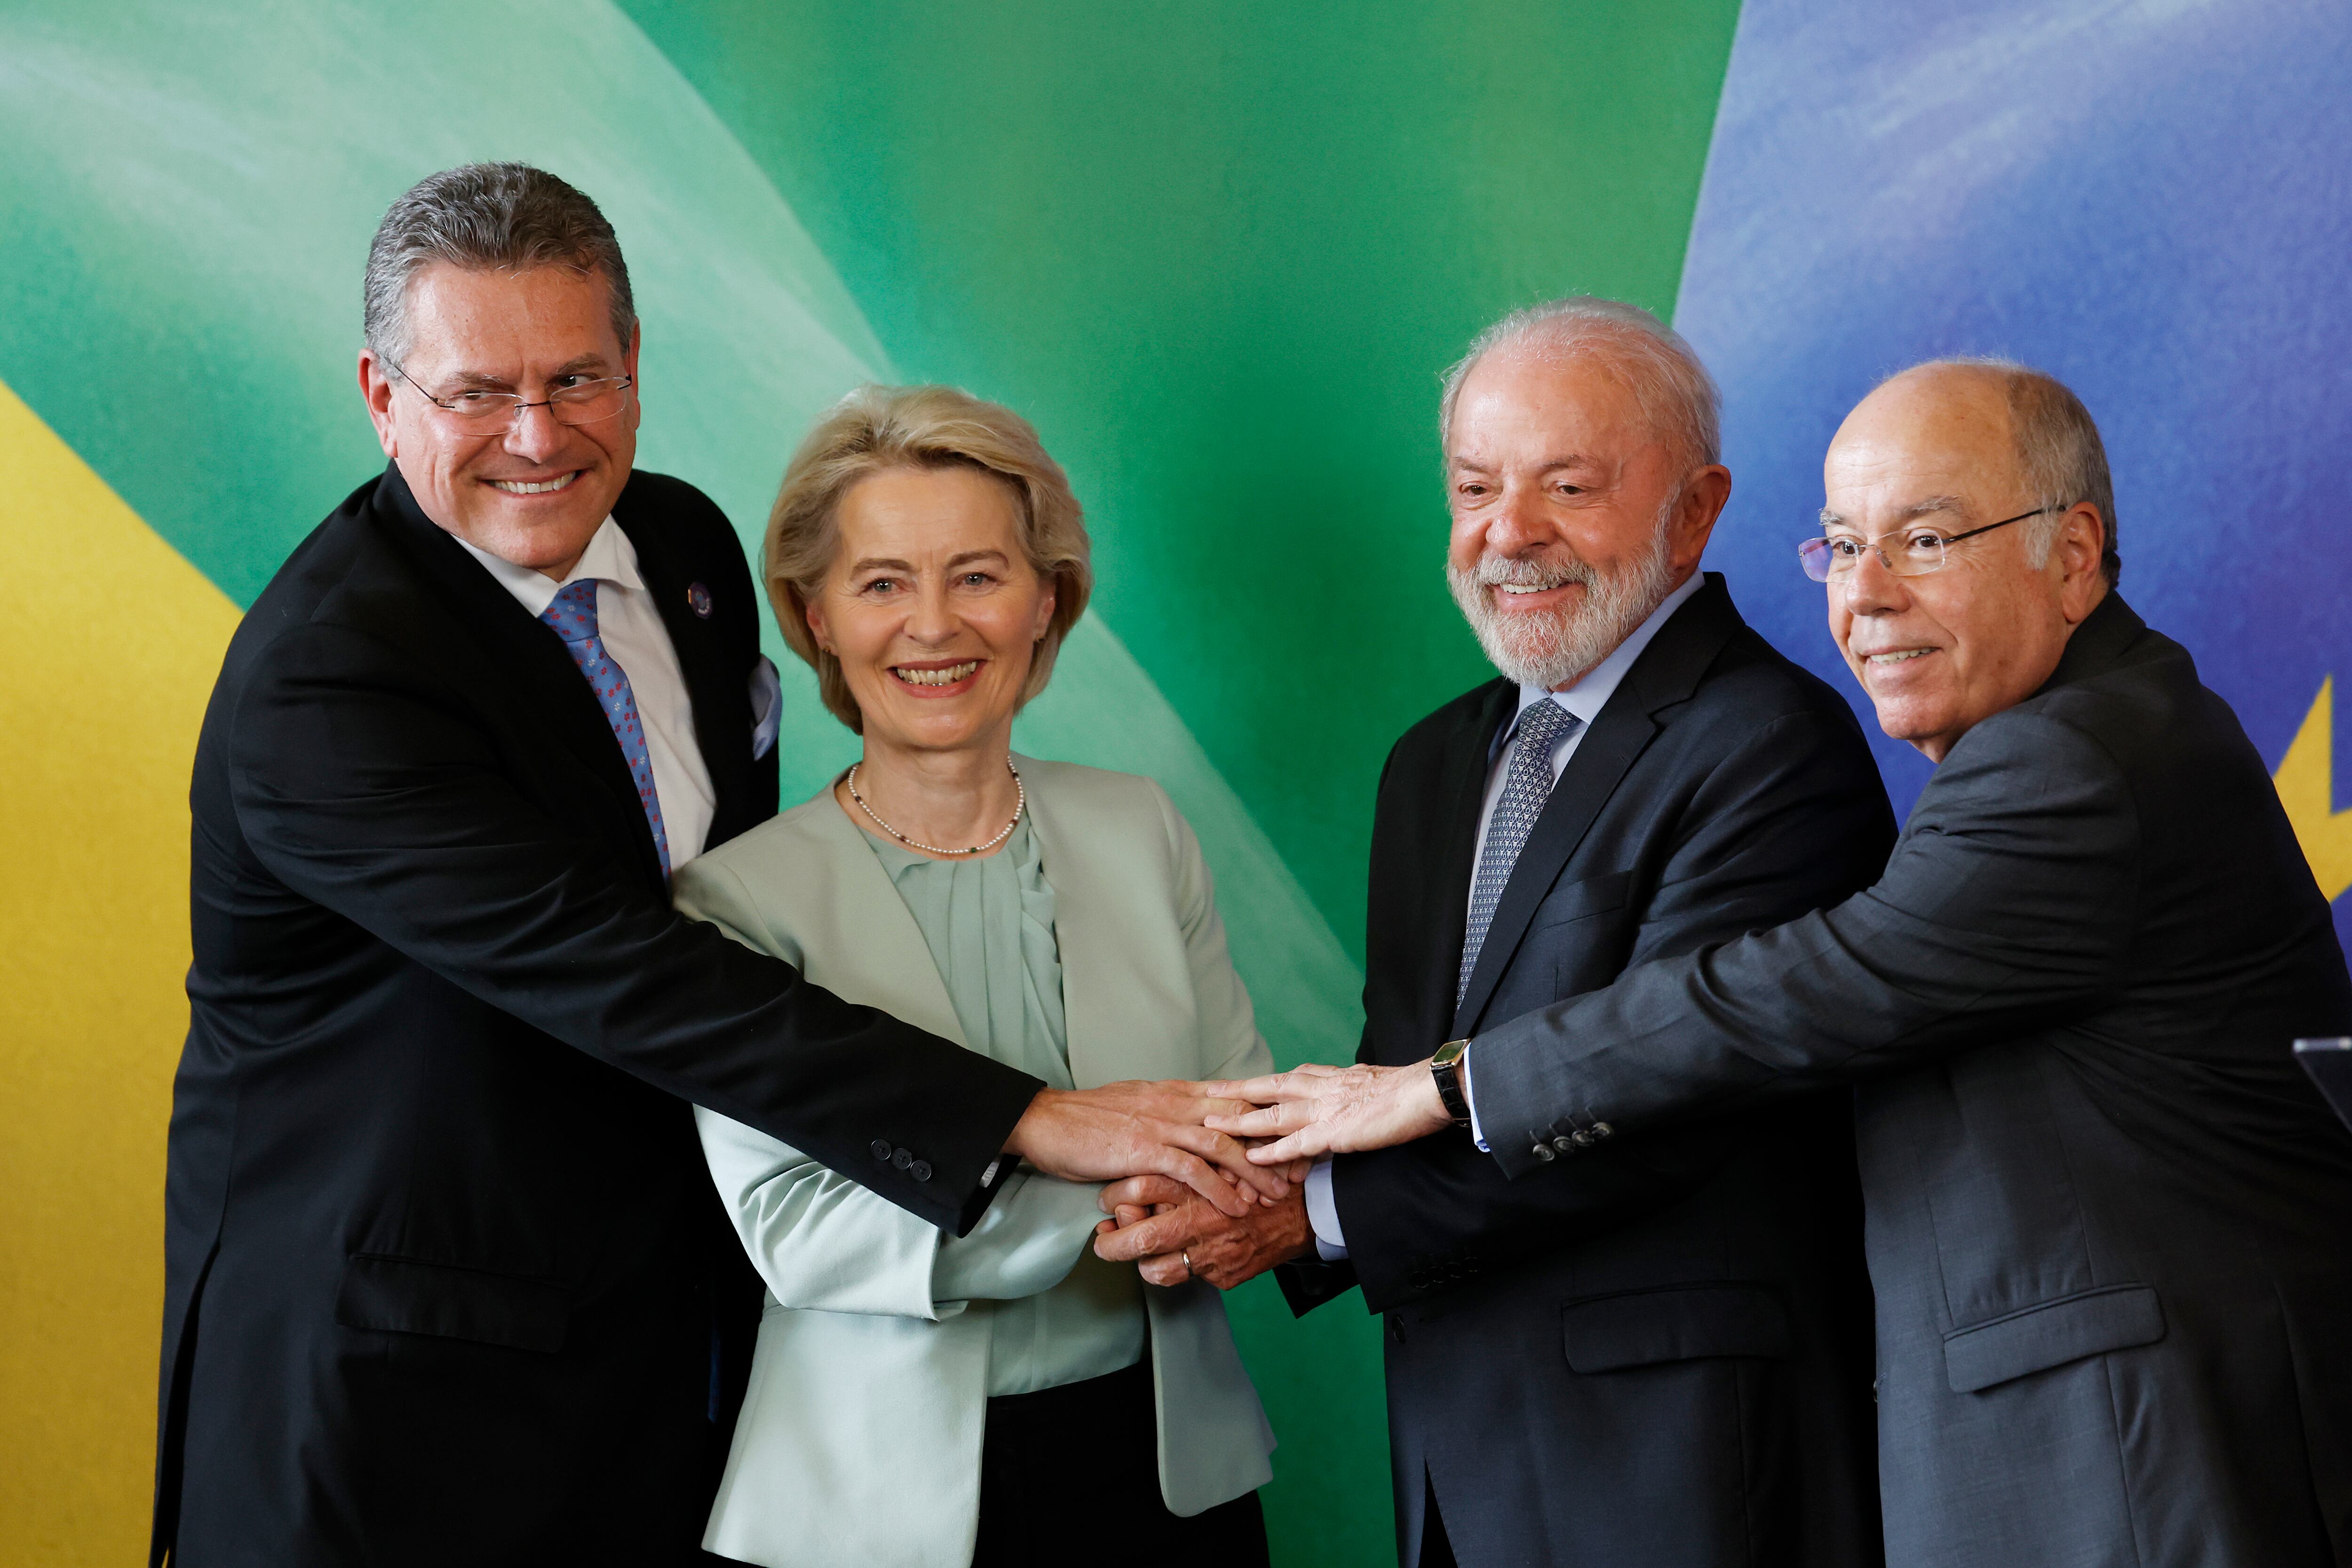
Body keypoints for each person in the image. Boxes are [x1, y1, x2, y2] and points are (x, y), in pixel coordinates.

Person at [163, 164, 1281, 1566]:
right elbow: (641, 971)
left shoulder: (681, 546)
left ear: (635, 368)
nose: (535, 435)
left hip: (673, 1347)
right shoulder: (325, 687)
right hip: (399, 1376)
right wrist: (1028, 1117)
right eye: (475, 393)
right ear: (386, 398)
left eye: (577, 378)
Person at [1212, 359, 2352, 1567]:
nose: (1864, 597)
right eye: (1840, 546)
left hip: (2136, 1459)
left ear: (2072, 555)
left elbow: (1794, 992)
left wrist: (1442, 1083)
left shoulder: (2072, 761)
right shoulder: (2074, 733)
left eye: (1922, 539)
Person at [1100, 299, 1891, 1567]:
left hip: (1679, 1465)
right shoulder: (1434, 760)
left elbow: (1667, 1102)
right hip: (1455, 1459)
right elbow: (1386, 1083)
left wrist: (1315, 1209)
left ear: (1697, 508)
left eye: (1568, 486)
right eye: (1475, 486)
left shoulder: (1771, 746)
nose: (1509, 534)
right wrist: (1246, 1173)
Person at [675, 383, 1276, 1568]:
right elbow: (798, 1229)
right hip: (871, 1513)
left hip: (1168, 1484)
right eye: (883, 581)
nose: (934, 625)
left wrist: (1226, 1181)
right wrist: (1114, 1175)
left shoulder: (1142, 827)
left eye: (980, 575)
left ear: (1044, 597)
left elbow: (1241, 1118)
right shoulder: (734, 900)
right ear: (816, 616)